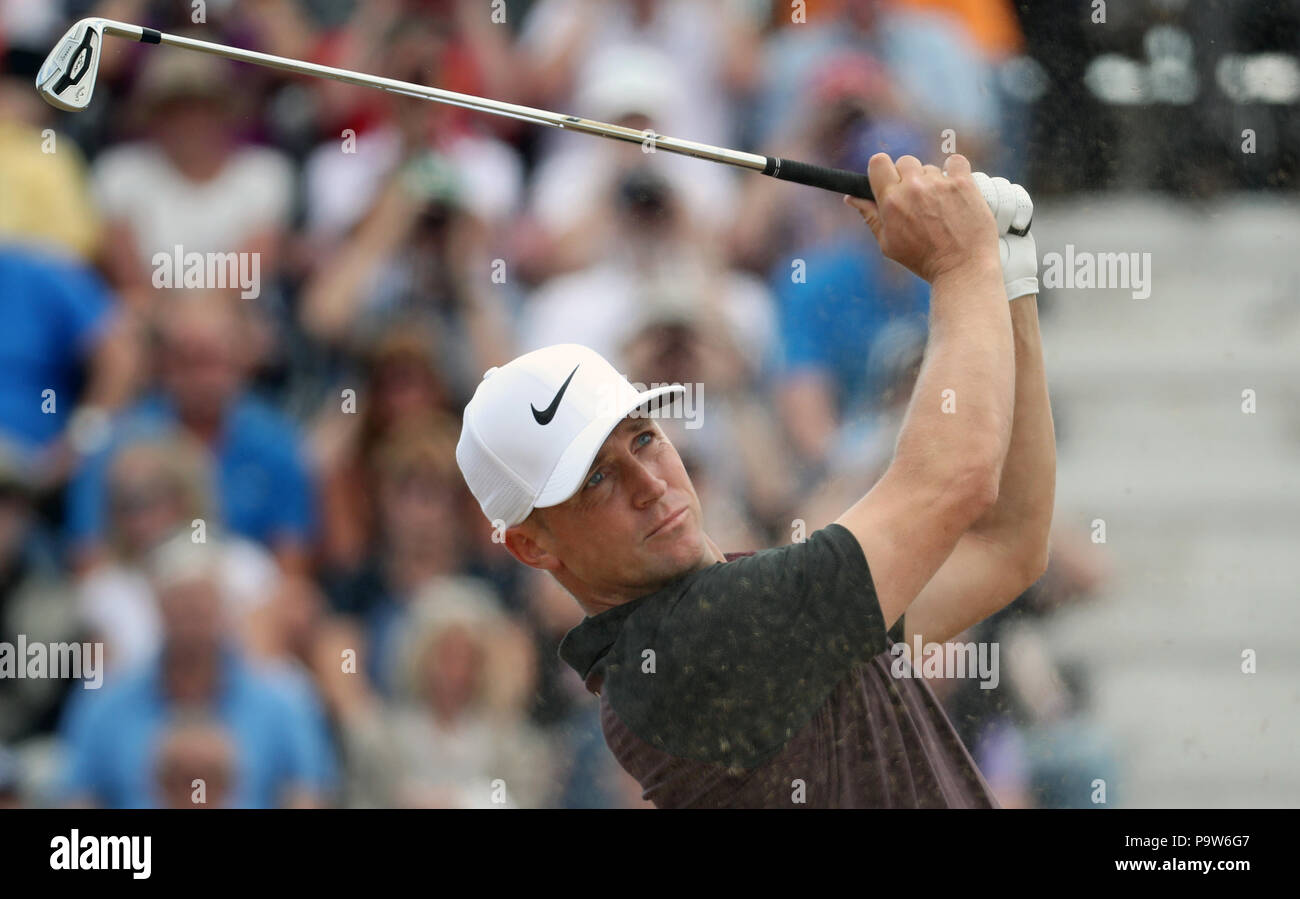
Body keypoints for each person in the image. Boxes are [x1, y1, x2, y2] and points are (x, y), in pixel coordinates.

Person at [455, 153, 1054, 808]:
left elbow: (1006, 547)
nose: (649, 483)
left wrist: (1007, 276)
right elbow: (954, 480)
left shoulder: (743, 605)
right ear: (531, 545)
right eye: (596, 478)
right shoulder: (691, 646)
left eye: (645, 438)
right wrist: (961, 263)